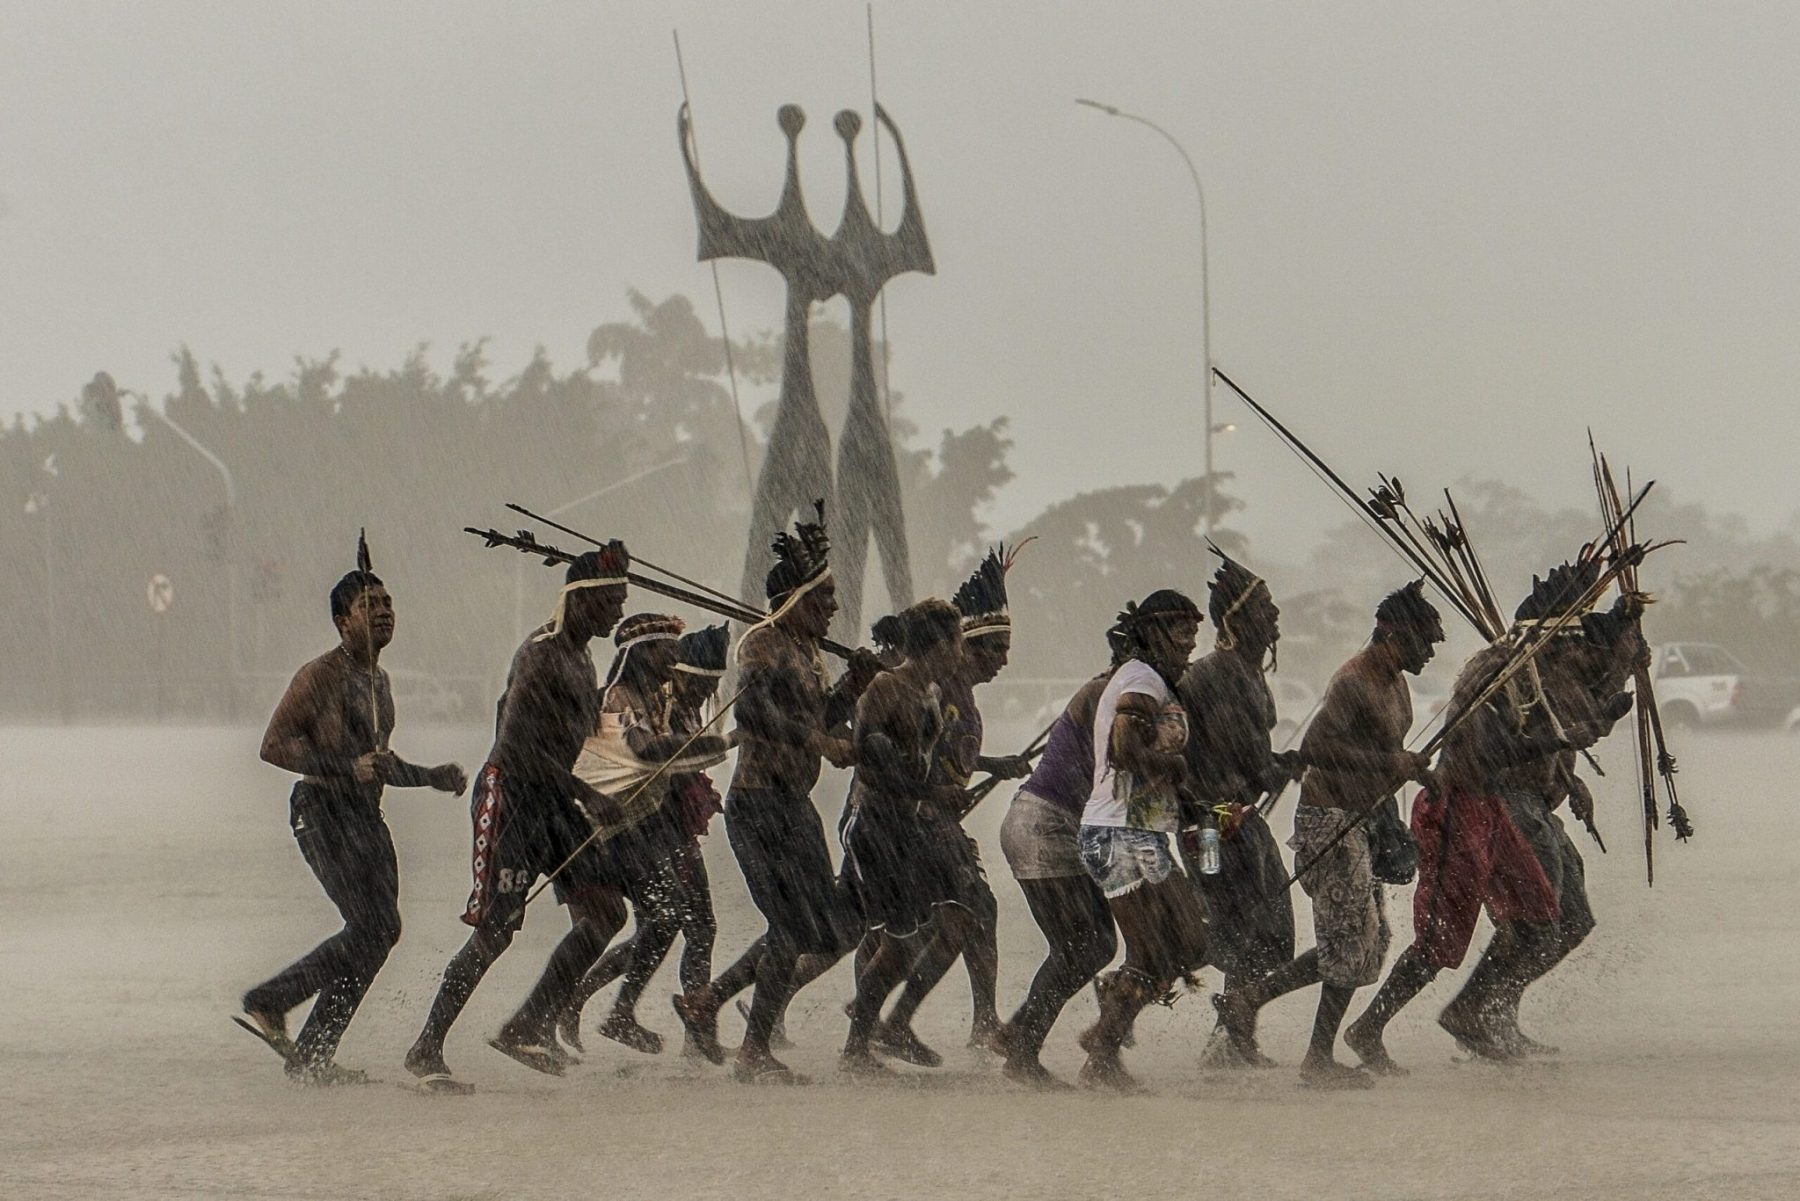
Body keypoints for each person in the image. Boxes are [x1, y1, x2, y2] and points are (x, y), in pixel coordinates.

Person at [1345, 564, 1633, 1070]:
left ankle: (1481, 1011)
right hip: (1457, 809)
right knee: (1439, 941)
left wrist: (1572, 750)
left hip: (1492, 810)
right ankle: (1370, 1027)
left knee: (1543, 919)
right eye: (1570, 639)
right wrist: (1563, 738)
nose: (1574, 650)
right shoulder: (1496, 671)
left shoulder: (1531, 670)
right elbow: (1490, 749)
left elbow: (1539, 733)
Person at [402, 544, 631, 1093]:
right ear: (582, 601)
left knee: (606, 912)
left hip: (555, 801)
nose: (618, 613)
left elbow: (576, 742)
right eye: (612, 602)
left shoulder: (582, 658)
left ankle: (528, 1025)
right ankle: (425, 1047)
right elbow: (517, 745)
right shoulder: (541, 654)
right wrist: (586, 794)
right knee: (496, 931)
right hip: (511, 797)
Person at [238, 539, 467, 1084]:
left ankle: (313, 1054)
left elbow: (377, 764)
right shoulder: (319, 675)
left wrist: (429, 776)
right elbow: (273, 746)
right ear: (343, 622)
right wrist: (344, 768)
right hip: (322, 811)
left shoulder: (379, 681)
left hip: (365, 816)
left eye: (387, 603)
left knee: (381, 931)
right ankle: (271, 998)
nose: (384, 612)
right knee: (372, 925)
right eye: (370, 605)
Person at [670, 503, 884, 1083]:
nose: (834, 607)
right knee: (790, 928)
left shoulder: (809, 653)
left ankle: (707, 1001)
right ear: (798, 600)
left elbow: (823, 715)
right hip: (759, 805)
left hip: (794, 807)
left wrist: (855, 684)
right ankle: (752, 1053)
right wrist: (820, 741)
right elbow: (757, 714)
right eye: (825, 598)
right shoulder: (761, 644)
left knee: (820, 928)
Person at [1216, 581, 1442, 1088]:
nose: (1430, 652)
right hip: (1329, 821)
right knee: (1352, 942)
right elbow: (1317, 746)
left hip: (1364, 819)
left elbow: (1387, 751)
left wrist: (1416, 772)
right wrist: (1391, 762)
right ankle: (1316, 1059)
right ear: (1392, 633)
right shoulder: (1353, 681)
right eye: (1424, 640)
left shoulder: (1396, 681)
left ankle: (1250, 998)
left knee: (1369, 942)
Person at [862, 548, 1032, 1063]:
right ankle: (888, 1023)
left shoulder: (956, 689)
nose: (1004, 660)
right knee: (937, 922)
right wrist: (933, 794)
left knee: (922, 925)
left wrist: (992, 764)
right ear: (966, 647)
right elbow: (910, 752)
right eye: (996, 648)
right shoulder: (932, 684)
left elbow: (949, 752)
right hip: (910, 819)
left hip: (928, 817)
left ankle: (883, 1023)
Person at [558, 623, 732, 1061]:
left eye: (711, 687)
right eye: (700, 684)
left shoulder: (669, 703)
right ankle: (596, 1002)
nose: (705, 694)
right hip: (644, 829)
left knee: (695, 926)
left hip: (671, 828)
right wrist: (720, 741)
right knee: (665, 922)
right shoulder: (632, 700)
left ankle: (691, 1031)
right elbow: (648, 753)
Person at [1073, 589, 1211, 1091]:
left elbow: (1147, 767)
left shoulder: (1155, 682)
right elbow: (1124, 749)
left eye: (1194, 633)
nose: (1190, 642)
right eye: (1182, 632)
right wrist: (1173, 767)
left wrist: (1190, 800)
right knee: (1152, 952)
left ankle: (1110, 1013)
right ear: (1153, 633)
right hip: (1115, 832)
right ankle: (1101, 1055)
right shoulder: (1140, 678)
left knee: (1190, 942)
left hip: (1144, 833)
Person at [1176, 548, 1306, 1068]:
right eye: (1264, 608)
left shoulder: (1247, 671)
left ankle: (1229, 1037)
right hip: (1209, 829)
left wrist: (1280, 765)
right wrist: (1279, 768)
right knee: (1233, 930)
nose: (1275, 615)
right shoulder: (1221, 673)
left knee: (1265, 933)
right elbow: (1248, 759)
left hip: (1238, 821)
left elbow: (1252, 760)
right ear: (1236, 619)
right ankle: (1144, 976)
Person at [836, 599, 970, 1075]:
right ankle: (857, 1048)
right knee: (898, 943)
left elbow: (920, 761)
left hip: (908, 825)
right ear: (940, 644)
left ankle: (881, 1030)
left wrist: (940, 795)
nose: (962, 651)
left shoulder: (928, 690)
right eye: (958, 640)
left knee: (943, 924)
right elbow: (870, 761)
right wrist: (932, 793)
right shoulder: (886, 687)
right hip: (874, 825)